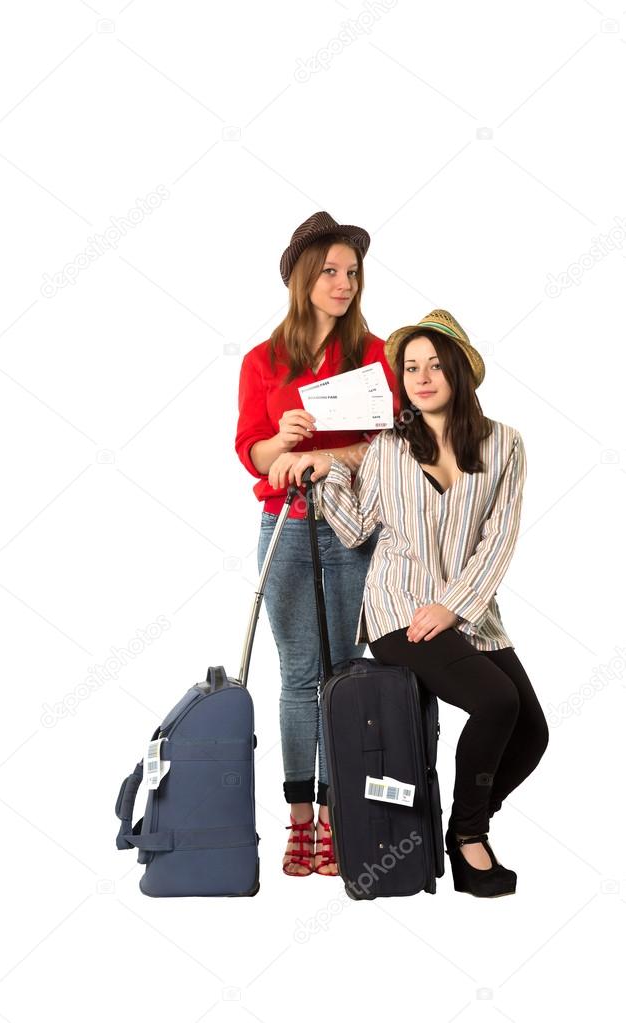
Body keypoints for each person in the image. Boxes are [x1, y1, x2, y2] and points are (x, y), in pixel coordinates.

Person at [293, 308, 549, 898]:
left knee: (531, 733)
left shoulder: (504, 444)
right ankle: (468, 839)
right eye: (411, 367)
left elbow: (499, 538)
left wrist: (455, 607)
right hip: (398, 611)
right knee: (494, 700)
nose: (422, 376)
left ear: (458, 372)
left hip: (469, 613)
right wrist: (328, 470)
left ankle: (454, 821)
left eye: (435, 365)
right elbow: (357, 530)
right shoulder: (388, 448)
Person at [235, 211, 400, 877]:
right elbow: (252, 451)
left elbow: (391, 447)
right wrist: (281, 438)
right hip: (285, 529)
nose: (342, 282)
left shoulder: (375, 353)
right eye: (330, 271)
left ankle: (337, 821)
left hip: (352, 530)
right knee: (298, 678)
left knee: (342, 676)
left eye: (351, 272)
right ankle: (298, 823)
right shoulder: (262, 360)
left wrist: (326, 453)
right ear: (303, 278)